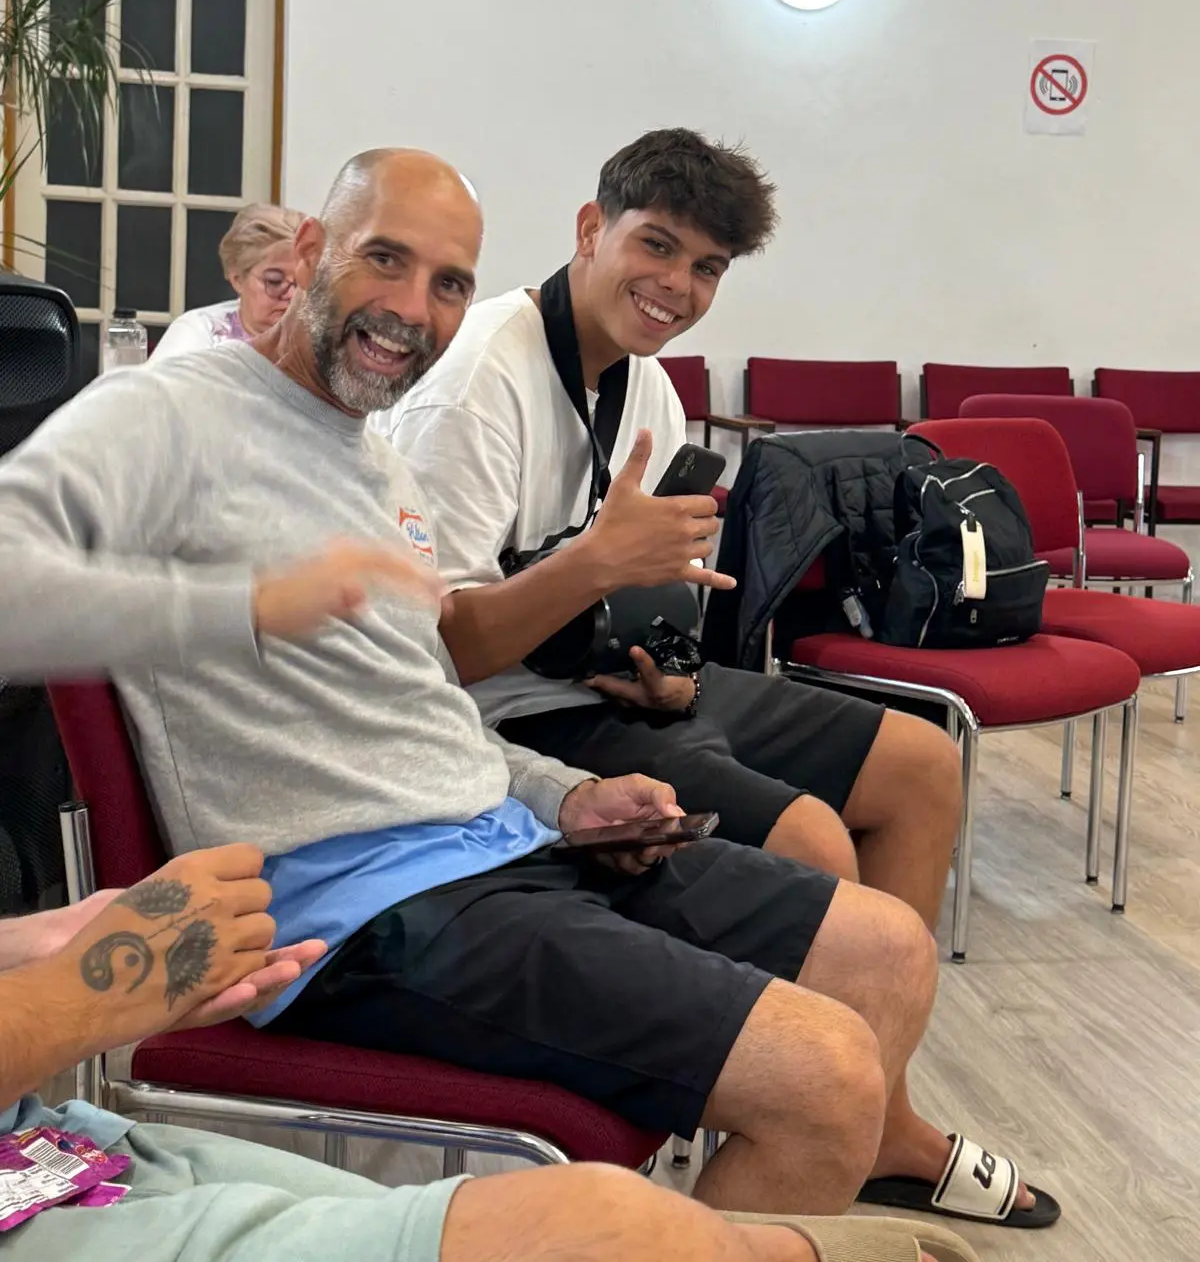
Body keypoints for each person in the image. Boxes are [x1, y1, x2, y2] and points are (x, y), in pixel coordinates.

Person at [0, 147, 999, 1231]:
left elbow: (425, 706)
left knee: (887, 953)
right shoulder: (172, 412)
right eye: (385, 259)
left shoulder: (375, 460)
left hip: (501, 841)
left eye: (449, 283)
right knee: (828, 1080)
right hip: (356, 910)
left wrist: (567, 796)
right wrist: (243, 605)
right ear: (309, 251)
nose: (412, 309)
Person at [376, 128, 1058, 1229]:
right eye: (657, 246)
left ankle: (879, 1115)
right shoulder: (478, 383)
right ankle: (821, 1108)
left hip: (612, 688)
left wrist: (672, 672)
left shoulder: (648, 390)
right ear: (590, 230)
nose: (679, 287)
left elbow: (658, 594)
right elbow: (437, 651)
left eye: (707, 268)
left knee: (922, 764)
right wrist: (594, 565)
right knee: (814, 844)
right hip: (509, 715)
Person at [0, 859, 982, 1262]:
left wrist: (37, 944)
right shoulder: (193, 517)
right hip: (373, 898)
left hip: (503, 839)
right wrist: (81, 993)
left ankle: (886, 1142)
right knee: (612, 1229)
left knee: (882, 944)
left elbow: (452, 730)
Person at [153, 204, 302, 359]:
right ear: (238, 279)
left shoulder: (317, 335)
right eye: (274, 281)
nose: (292, 295)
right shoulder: (199, 333)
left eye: (304, 282)